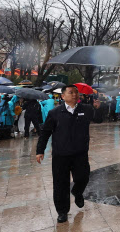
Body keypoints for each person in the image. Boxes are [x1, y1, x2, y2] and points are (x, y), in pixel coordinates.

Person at [36, 84, 102, 223]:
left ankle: (77, 192)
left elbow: (99, 119)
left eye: (76, 93)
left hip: (80, 153)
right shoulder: (55, 113)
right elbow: (45, 132)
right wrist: (40, 150)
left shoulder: (86, 109)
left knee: (83, 177)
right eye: (71, 92)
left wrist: (98, 108)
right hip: (61, 154)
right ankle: (62, 211)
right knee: (60, 184)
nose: (74, 95)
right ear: (63, 96)